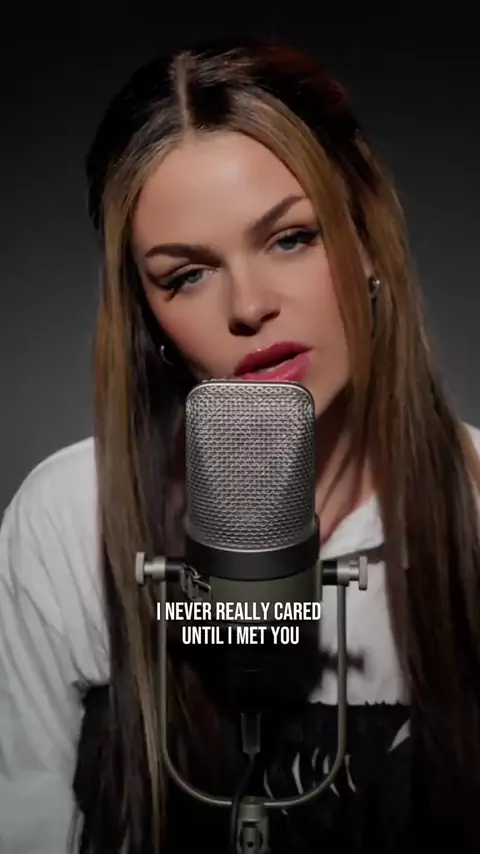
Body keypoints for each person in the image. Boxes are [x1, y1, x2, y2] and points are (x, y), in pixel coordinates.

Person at [1, 34, 480, 854]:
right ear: (148, 315)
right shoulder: (70, 518)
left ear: (366, 237)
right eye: (186, 275)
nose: (249, 306)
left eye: (291, 238)